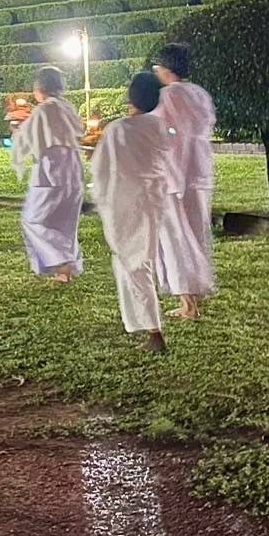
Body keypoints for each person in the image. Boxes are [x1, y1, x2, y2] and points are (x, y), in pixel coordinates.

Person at [90, 72, 180, 354]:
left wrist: (100, 194)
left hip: (124, 201)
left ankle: (154, 331)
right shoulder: (160, 127)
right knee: (139, 261)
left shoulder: (118, 129)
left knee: (135, 264)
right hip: (153, 201)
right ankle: (147, 325)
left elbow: (101, 168)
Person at [152, 42, 217, 320]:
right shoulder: (199, 93)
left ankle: (188, 302)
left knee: (176, 238)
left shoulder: (168, 96)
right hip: (199, 170)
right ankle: (195, 292)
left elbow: (165, 134)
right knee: (196, 234)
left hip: (175, 174)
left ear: (165, 69)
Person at [10, 67, 86, 283]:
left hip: (51, 168)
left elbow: (26, 140)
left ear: (39, 88)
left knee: (34, 219)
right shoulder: (67, 107)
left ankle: (63, 261)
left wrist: (16, 130)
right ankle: (64, 271)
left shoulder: (44, 110)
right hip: (73, 167)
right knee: (65, 221)